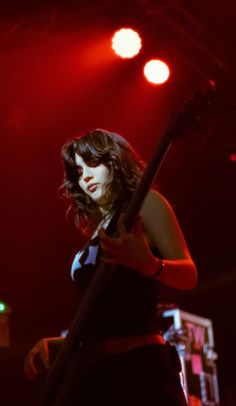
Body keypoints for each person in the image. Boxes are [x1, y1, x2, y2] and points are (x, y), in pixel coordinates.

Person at [24, 129, 198, 405]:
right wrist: (62, 344)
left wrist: (150, 264)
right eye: (79, 172)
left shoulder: (145, 205)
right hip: (98, 375)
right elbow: (103, 317)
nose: (85, 177)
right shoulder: (96, 233)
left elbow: (189, 274)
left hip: (141, 373)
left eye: (92, 164)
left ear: (114, 161)